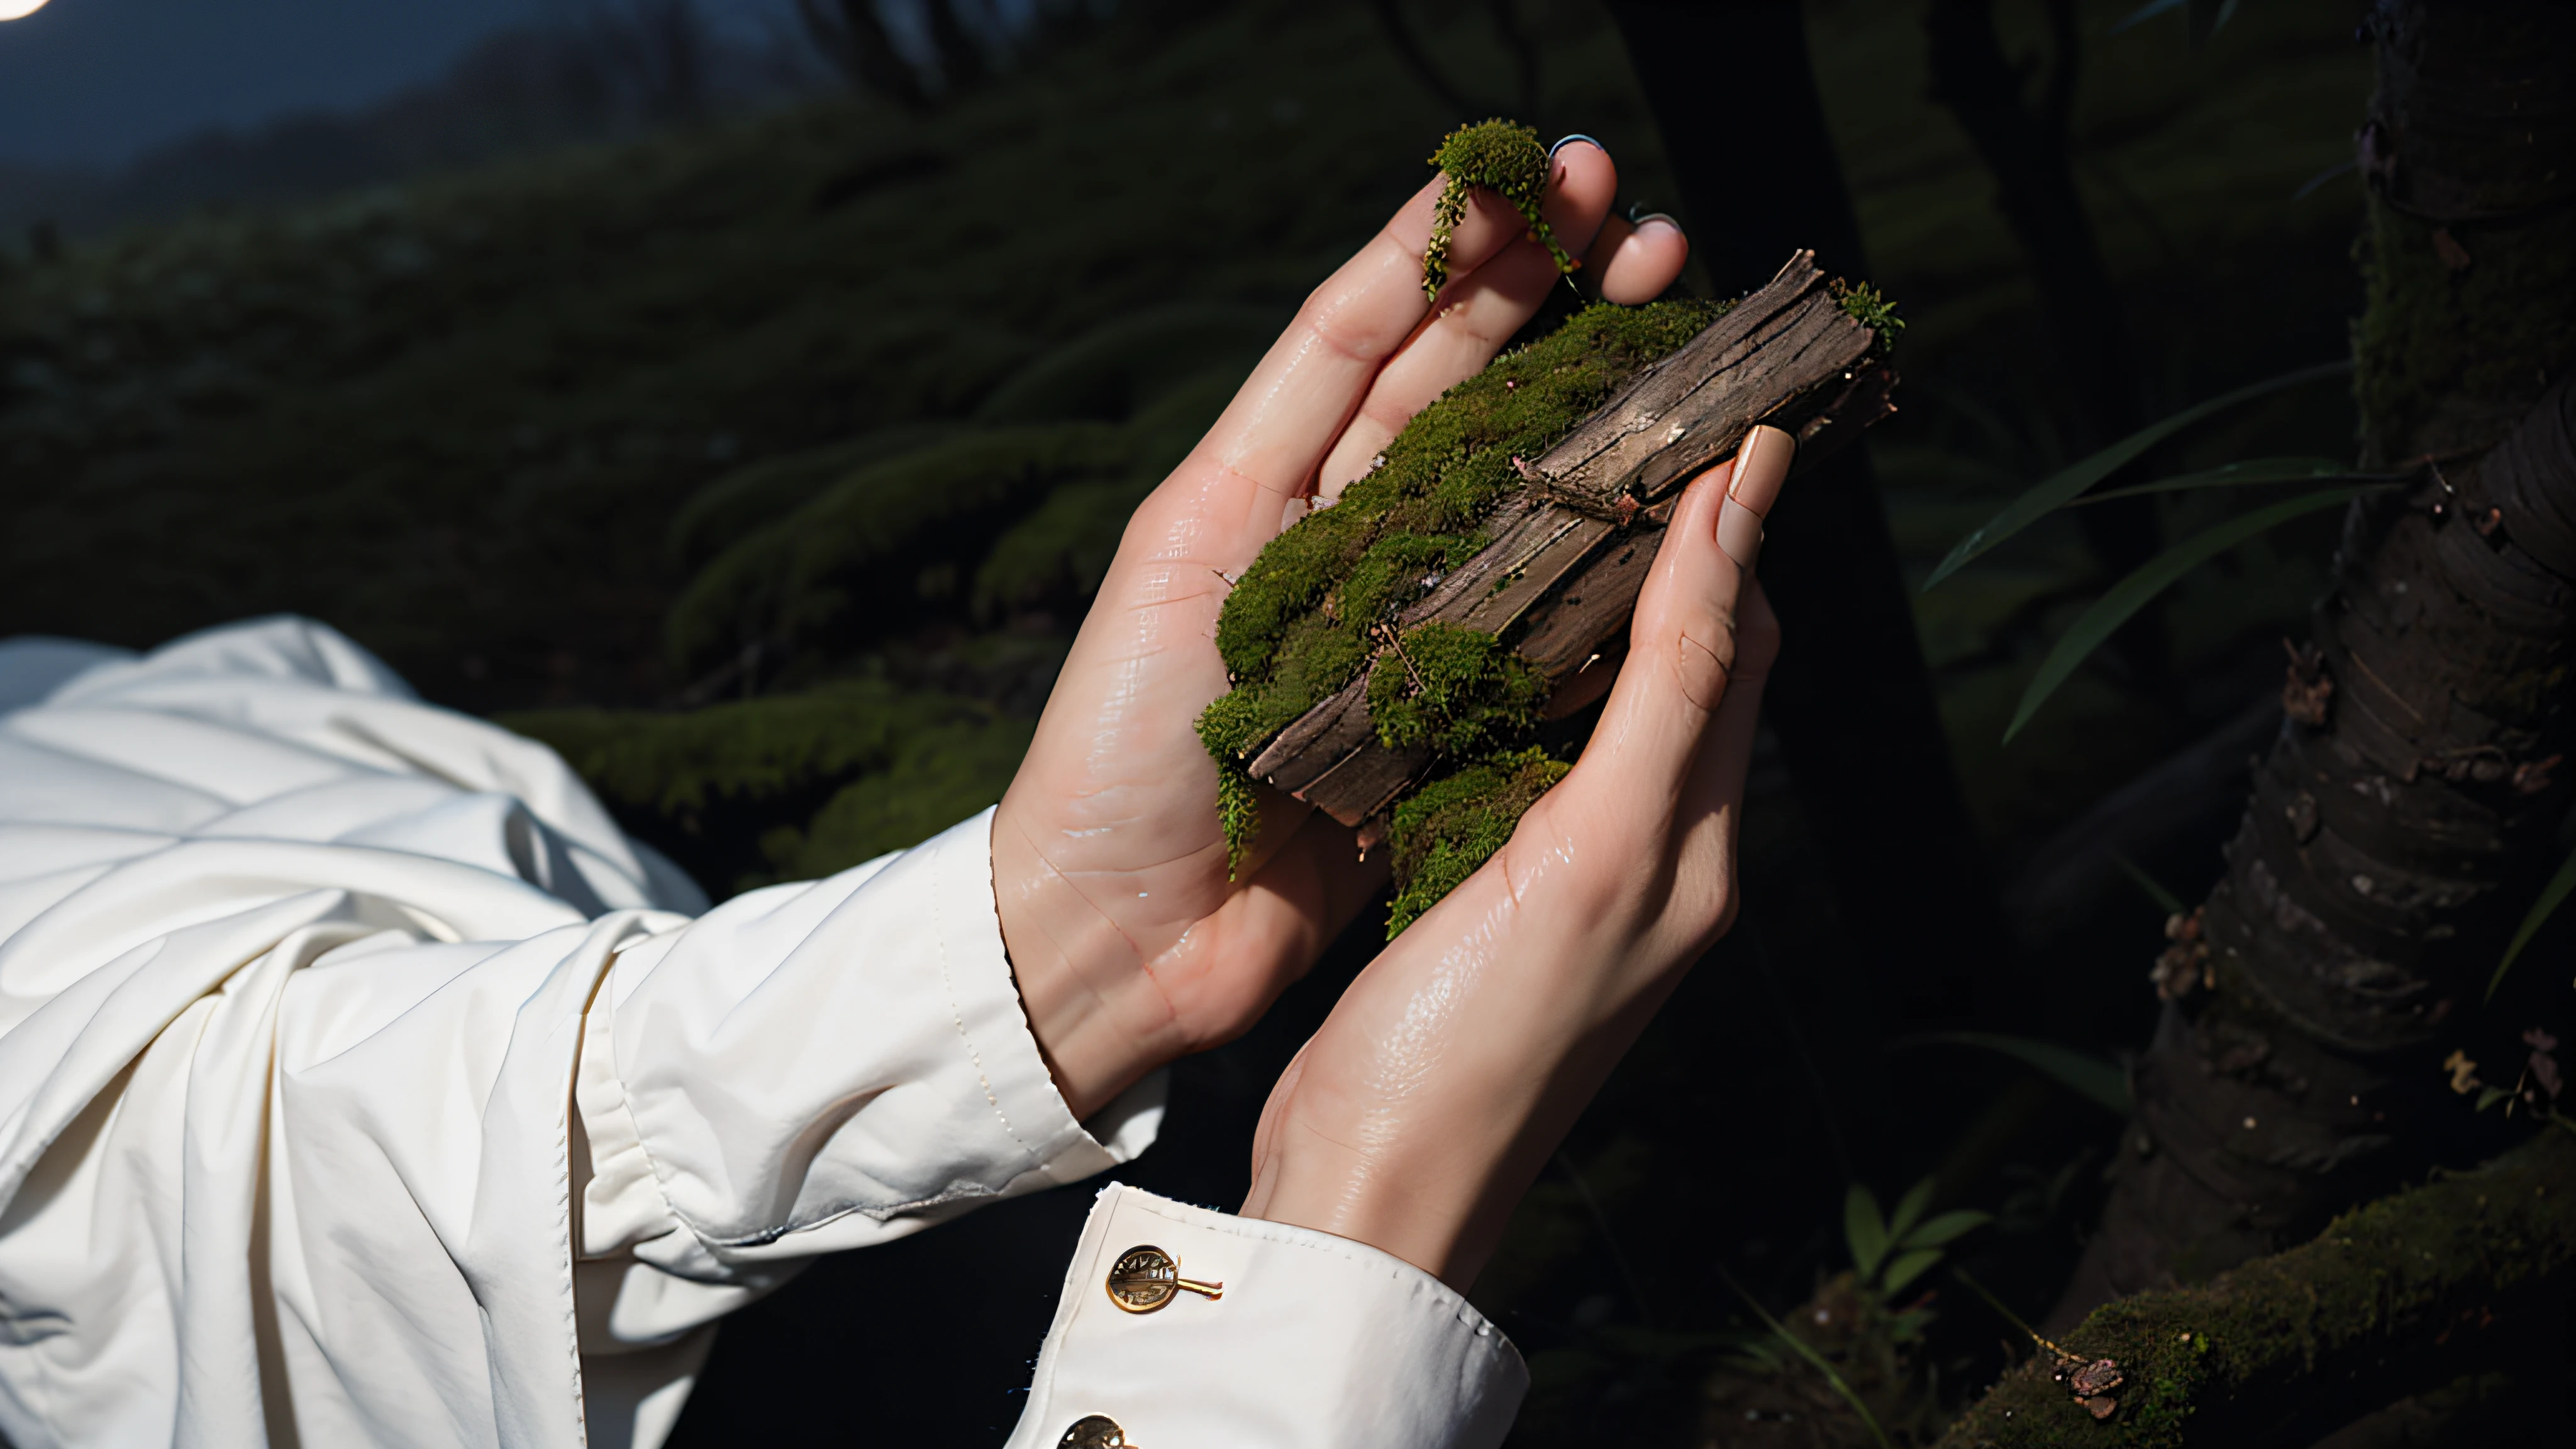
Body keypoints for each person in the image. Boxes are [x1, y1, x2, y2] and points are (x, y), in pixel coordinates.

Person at [0, 136, 1784, 1448]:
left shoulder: (119, 708)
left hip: (675, 1106)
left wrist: (1062, 940)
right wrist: (1359, 1225)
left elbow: (231, 1120)